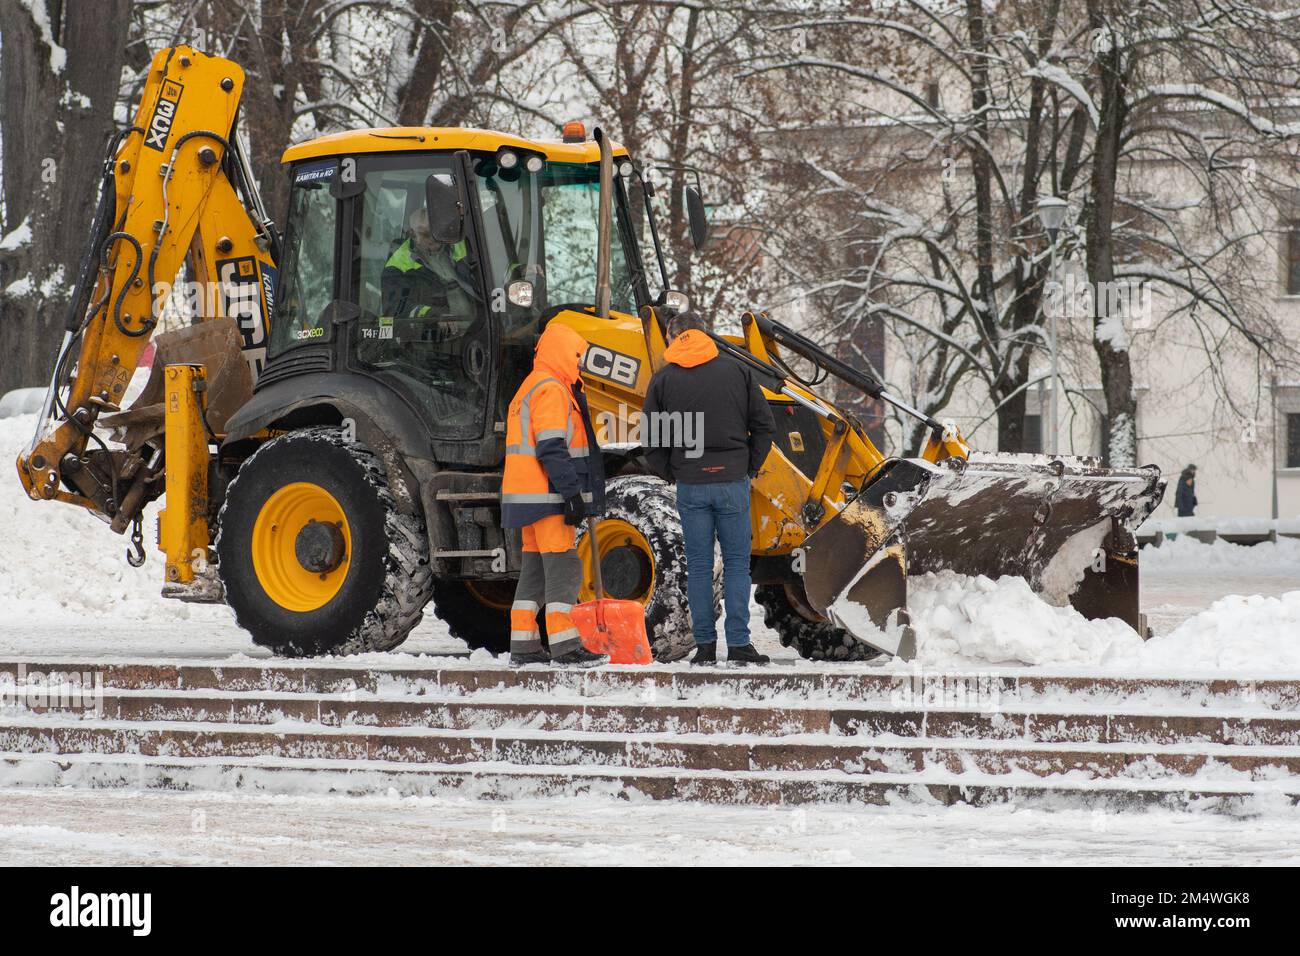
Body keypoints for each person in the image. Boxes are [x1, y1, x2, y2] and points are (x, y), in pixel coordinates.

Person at [643, 311, 776, 666]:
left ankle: (704, 647)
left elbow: (651, 440)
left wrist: (673, 472)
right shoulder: (737, 371)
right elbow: (764, 426)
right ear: (705, 334)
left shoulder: (664, 379)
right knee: (736, 565)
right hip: (731, 482)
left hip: (692, 485)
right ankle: (738, 646)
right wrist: (747, 467)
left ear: (674, 337)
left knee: (699, 567)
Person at [501, 322, 608, 667]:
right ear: (562, 351)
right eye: (576, 355)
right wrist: (572, 493)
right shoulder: (552, 389)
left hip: (526, 497)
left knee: (534, 571)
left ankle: (525, 645)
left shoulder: (528, 387)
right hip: (548, 497)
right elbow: (551, 447)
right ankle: (565, 646)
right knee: (564, 568)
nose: (579, 362)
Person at [381, 207, 477, 319]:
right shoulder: (398, 265)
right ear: (412, 234)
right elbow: (396, 308)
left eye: (437, 232)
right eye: (426, 234)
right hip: (435, 331)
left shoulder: (462, 246)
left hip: (479, 324)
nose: (434, 238)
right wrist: (432, 315)